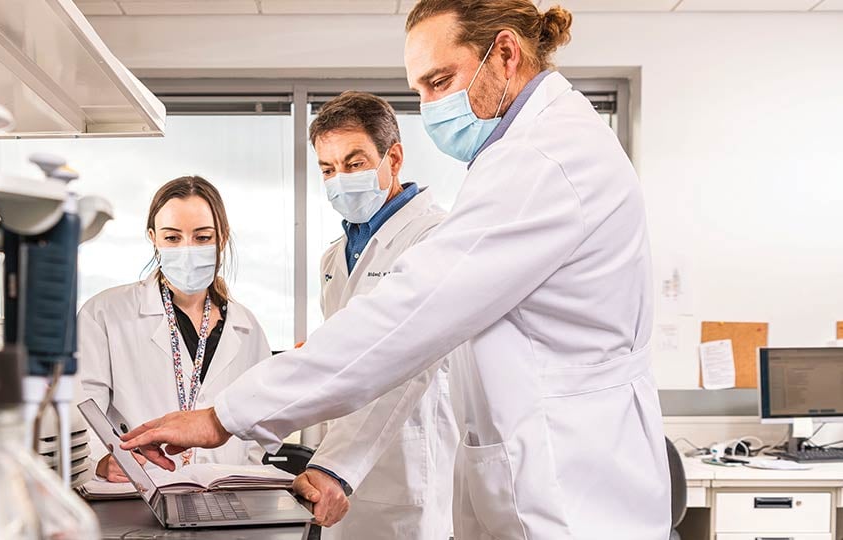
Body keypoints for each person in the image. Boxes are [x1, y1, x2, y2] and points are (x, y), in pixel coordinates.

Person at [120, 2, 672, 538]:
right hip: (533, 465)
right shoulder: (521, 154)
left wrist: (226, 416)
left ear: (504, 53)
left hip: (567, 481)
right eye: (420, 91)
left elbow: (405, 323)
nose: (431, 106)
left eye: (440, 80)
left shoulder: (544, 160)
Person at [292, 91, 461, 538]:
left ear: (395, 157)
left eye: (355, 163)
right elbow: (343, 361)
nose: (339, 180)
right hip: (339, 476)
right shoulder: (334, 258)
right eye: (327, 169)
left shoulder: (434, 237)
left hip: (405, 474)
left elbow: (405, 363)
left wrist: (335, 466)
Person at [78, 175, 270, 482]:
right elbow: (82, 410)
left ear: (222, 237)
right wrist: (100, 460)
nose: (187, 249)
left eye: (202, 237)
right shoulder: (105, 314)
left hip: (228, 494)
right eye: (172, 238)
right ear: (153, 237)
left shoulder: (247, 328)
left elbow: (257, 424)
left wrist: (245, 477)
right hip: (138, 491)